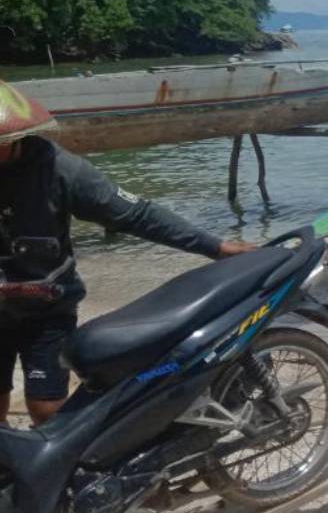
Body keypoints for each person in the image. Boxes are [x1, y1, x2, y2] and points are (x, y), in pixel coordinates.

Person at [0, 81, 255, 427]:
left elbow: (137, 215)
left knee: (46, 409)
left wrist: (214, 246)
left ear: (14, 137)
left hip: (46, 310)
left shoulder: (61, 170)